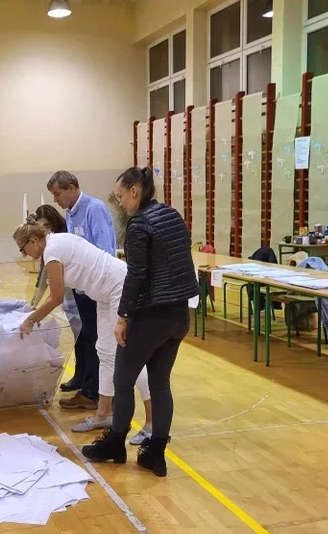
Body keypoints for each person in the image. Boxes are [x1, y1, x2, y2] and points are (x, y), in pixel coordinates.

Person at [81, 167, 198, 477]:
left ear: (135, 191)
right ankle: (155, 454)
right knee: (160, 383)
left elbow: (135, 276)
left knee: (122, 380)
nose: (120, 203)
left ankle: (115, 444)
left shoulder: (140, 224)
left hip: (151, 317)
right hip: (179, 315)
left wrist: (122, 317)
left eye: (121, 196)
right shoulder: (172, 215)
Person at [14, 223, 153, 441]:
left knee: (129, 355)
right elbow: (51, 291)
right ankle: (104, 413)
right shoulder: (55, 242)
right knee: (105, 351)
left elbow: (56, 297)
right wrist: (33, 311)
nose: (24, 254)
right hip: (104, 293)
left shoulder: (52, 250)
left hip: (118, 287)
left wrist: (31, 320)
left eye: (23, 249)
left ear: (33, 241)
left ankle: (153, 423)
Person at [47, 171, 117, 414]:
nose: (55, 199)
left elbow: (104, 250)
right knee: (83, 335)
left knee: (96, 340)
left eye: (57, 193)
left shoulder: (94, 209)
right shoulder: (70, 212)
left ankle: (93, 392)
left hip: (96, 286)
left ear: (71, 188)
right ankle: (83, 377)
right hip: (81, 286)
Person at [28, 205, 68, 308]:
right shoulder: (47, 242)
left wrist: (35, 311)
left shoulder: (61, 237)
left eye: (47, 226)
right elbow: (43, 274)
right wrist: (33, 305)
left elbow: (55, 297)